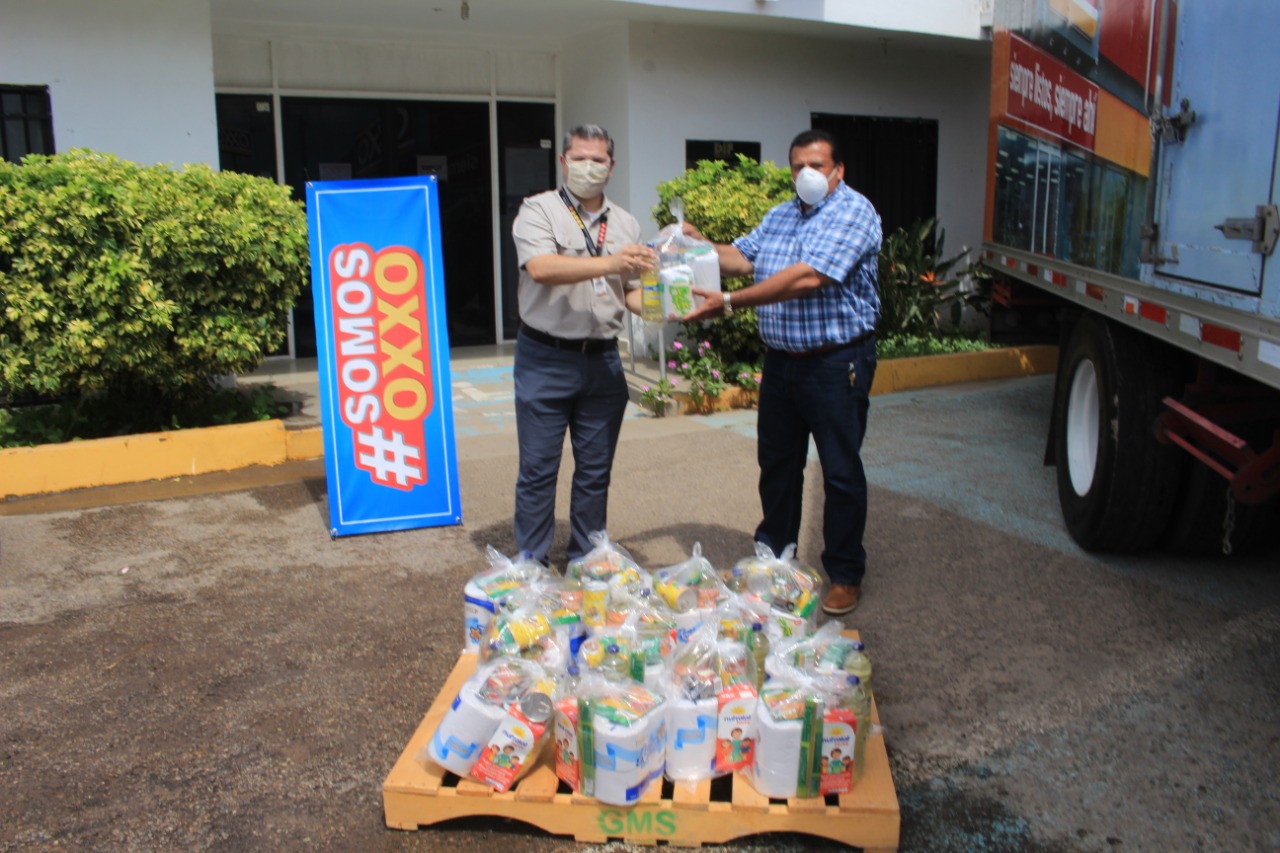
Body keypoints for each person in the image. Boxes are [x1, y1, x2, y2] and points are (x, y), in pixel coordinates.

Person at [681, 129, 881, 616]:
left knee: (839, 471)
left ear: (838, 171)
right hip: (781, 364)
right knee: (777, 467)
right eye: (798, 166)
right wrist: (698, 247)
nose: (806, 174)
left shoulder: (854, 212)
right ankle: (774, 559)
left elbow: (808, 276)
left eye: (817, 165)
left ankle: (845, 573)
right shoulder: (780, 215)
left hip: (835, 363)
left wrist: (730, 302)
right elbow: (742, 257)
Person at [510, 124, 656, 568]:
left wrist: (667, 306)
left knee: (595, 472)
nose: (588, 167)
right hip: (545, 358)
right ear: (563, 162)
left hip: (603, 363)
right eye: (579, 158)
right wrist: (611, 261)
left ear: (612, 166)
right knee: (538, 470)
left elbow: (628, 291)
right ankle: (531, 566)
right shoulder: (538, 210)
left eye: (598, 160)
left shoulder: (626, 223)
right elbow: (541, 268)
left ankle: (586, 560)